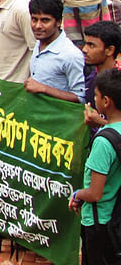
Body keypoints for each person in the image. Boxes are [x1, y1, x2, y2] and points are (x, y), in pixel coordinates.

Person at [69, 68, 121, 265]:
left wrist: (77, 195)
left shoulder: (102, 142)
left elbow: (95, 193)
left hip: (99, 222)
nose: (94, 99)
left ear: (106, 101)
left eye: (97, 95)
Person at [22, 0, 86, 103]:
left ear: (58, 22)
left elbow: (80, 98)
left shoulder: (70, 55)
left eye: (45, 20)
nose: (38, 26)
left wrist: (44, 89)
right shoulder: (39, 43)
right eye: (34, 19)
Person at [83, 21, 121, 126]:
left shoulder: (119, 82)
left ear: (109, 50)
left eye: (91, 45)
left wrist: (100, 123)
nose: (84, 50)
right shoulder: (88, 76)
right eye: (85, 43)